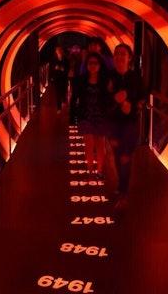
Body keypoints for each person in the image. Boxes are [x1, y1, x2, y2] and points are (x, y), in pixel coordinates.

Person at [106, 44, 147, 210]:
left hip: (130, 123)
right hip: (113, 123)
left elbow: (143, 98)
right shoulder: (108, 76)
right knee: (117, 154)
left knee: (125, 156)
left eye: (123, 54)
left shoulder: (136, 77)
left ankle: (123, 193)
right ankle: (120, 184)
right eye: (116, 54)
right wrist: (114, 100)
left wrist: (133, 107)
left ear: (129, 58)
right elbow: (102, 101)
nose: (119, 57)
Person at [70, 52, 111, 180]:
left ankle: (99, 171)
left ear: (100, 65)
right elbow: (74, 98)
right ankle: (89, 170)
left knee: (100, 146)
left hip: (101, 117)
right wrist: (72, 116)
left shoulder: (105, 81)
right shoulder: (81, 80)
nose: (93, 65)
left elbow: (109, 98)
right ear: (87, 65)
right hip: (85, 116)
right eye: (90, 63)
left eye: (95, 63)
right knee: (88, 145)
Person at [50, 44, 70, 115]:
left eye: (60, 50)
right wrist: (55, 68)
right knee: (58, 93)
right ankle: (59, 108)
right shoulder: (53, 60)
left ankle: (64, 100)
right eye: (57, 50)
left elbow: (67, 68)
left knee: (64, 91)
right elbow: (51, 68)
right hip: (57, 79)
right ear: (56, 51)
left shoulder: (66, 60)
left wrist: (63, 69)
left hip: (64, 78)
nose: (59, 51)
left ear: (62, 51)